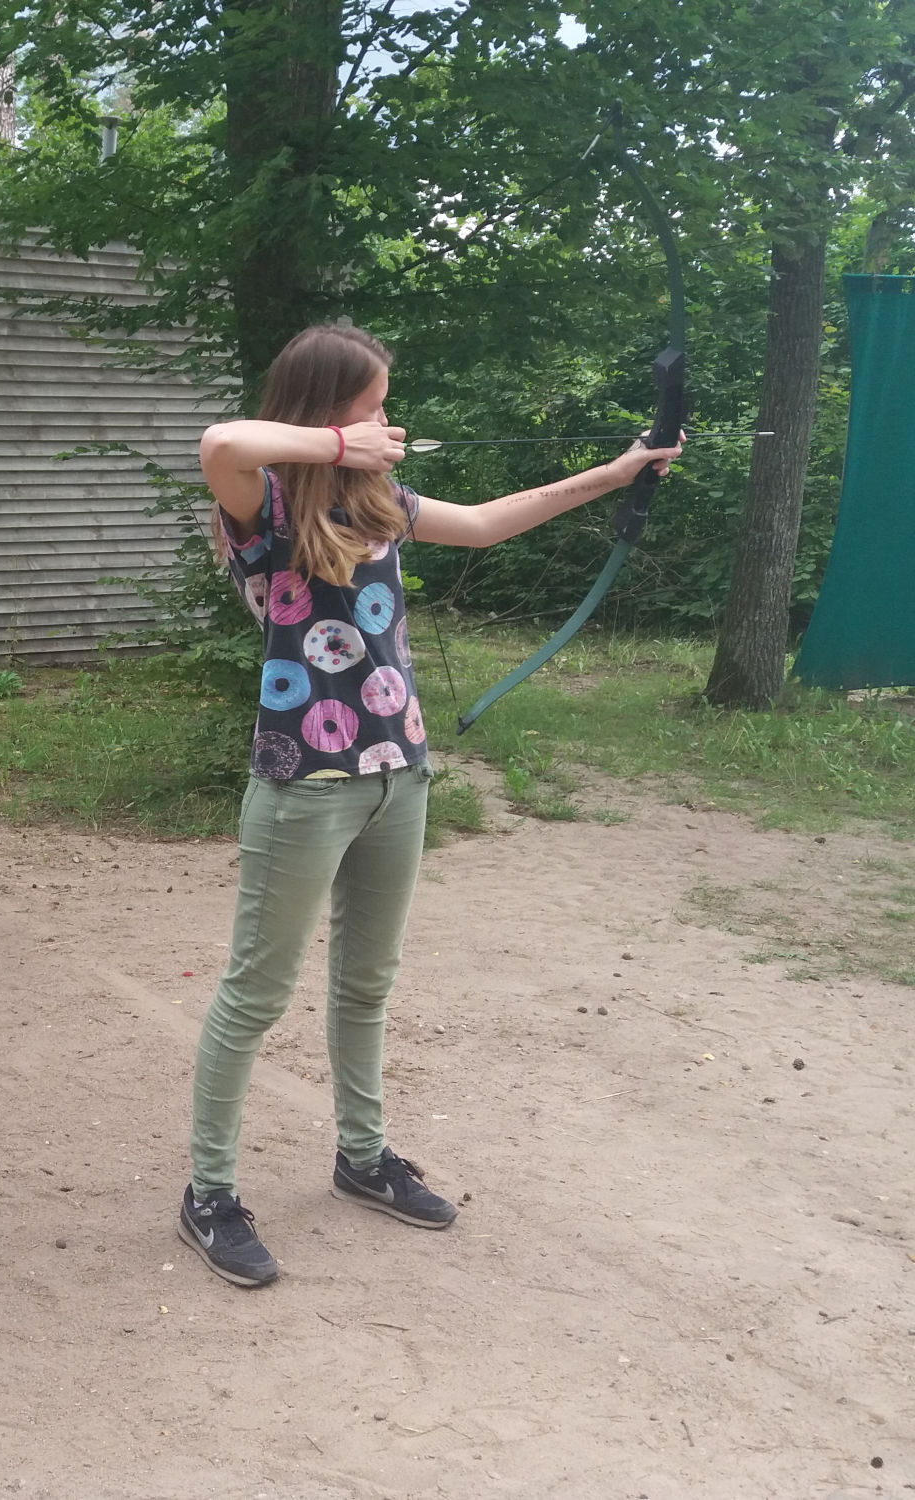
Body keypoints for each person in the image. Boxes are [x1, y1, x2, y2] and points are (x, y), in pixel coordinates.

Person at [179, 323, 683, 1286]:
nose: (388, 424)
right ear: (328, 414)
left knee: (367, 983)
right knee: (256, 993)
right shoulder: (264, 504)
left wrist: (617, 475)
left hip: (398, 770)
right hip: (305, 781)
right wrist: (341, 445)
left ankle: (362, 1158)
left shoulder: (378, 503)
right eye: (371, 408)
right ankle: (209, 1194)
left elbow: (488, 522)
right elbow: (220, 442)